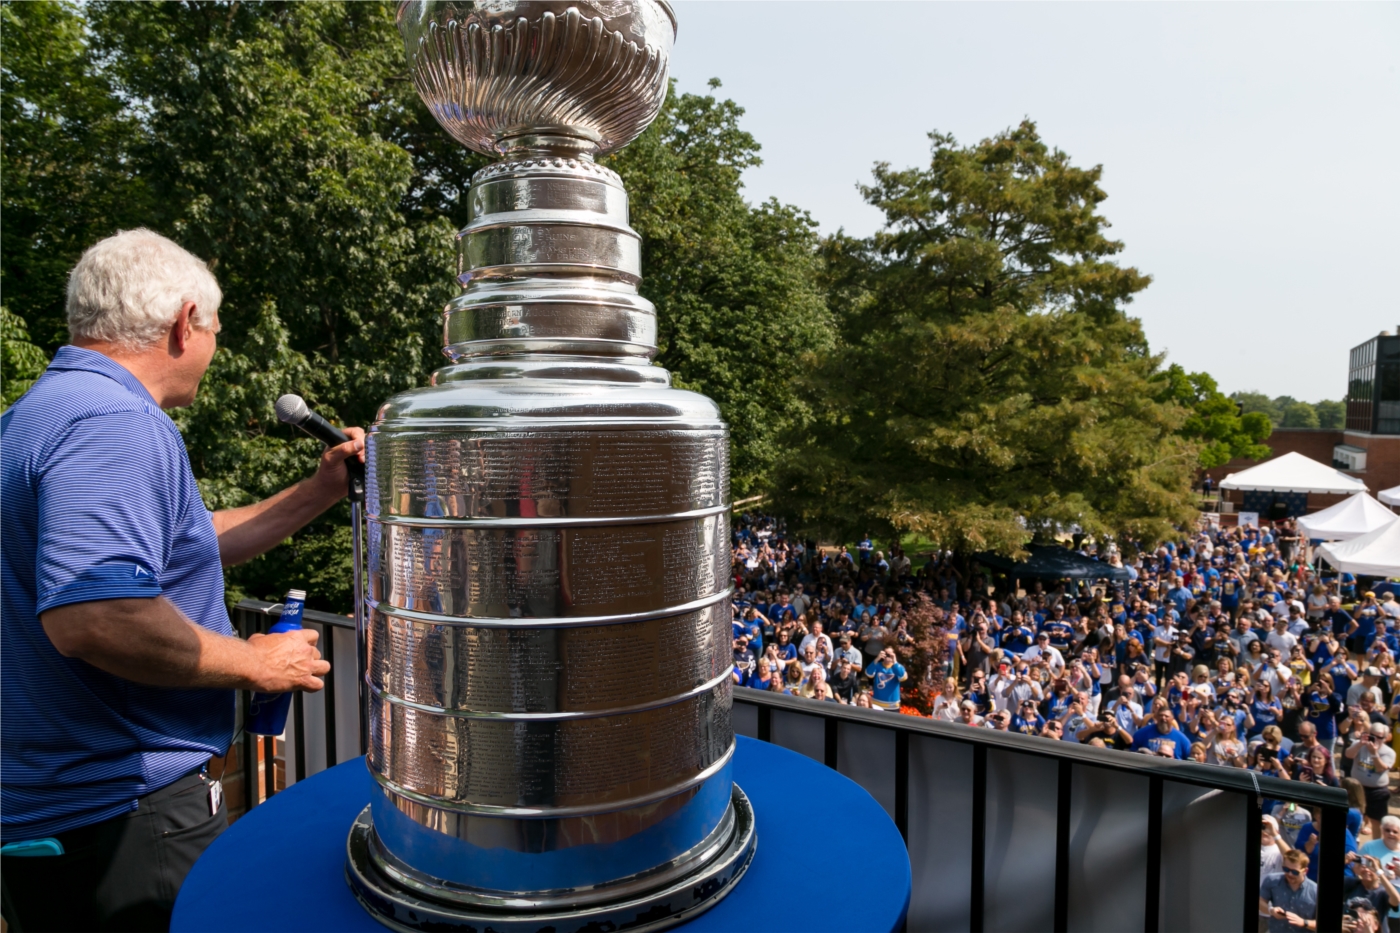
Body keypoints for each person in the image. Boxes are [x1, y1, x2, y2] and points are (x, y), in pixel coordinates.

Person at [0, 231, 359, 932]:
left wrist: (317, 492)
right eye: (216, 331)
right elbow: (97, 613)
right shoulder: (115, 424)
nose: (214, 350)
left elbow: (171, 551)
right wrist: (254, 662)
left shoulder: (34, 415)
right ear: (183, 321)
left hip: (58, 817)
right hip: (126, 822)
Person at [1348, 723, 1397, 841]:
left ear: (1385, 738)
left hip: (1376, 791)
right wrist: (1360, 744)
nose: (1374, 739)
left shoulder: (1389, 752)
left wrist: (1374, 754)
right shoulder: (1359, 744)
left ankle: (1376, 845)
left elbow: (1381, 768)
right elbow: (1348, 755)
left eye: (1379, 737)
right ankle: (1350, 841)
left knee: (1376, 821)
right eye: (1372, 735)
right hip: (1356, 787)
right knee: (1351, 816)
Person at [1259, 850, 1318, 933]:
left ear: (1305, 871)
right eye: (1286, 869)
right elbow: (1260, 902)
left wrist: (1303, 922)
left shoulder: (1315, 890)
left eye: (1295, 872)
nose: (1290, 874)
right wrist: (1271, 910)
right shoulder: (1272, 880)